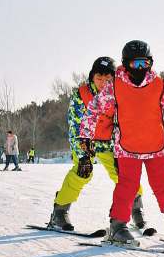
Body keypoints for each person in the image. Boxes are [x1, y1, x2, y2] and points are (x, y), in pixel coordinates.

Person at [79, 40, 164, 245]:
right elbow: (94, 108)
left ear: (150, 63)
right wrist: (86, 135)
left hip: (156, 146)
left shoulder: (159, 84)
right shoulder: (115, 85)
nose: (140, 69)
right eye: (135, 64)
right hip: (127, 148)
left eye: (144, 64)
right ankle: (118, 226)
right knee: (126, 187)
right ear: (125, 64)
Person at [50, 57, 147, 231]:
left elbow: (121, 125)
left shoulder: (120, 93)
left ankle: (136, 208)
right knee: (82, 172)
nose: (103, 83)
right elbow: (75, 127)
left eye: (108, 79)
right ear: (92, 78)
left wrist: (120, 153)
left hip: (109, 142)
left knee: (125, 173)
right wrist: (83, 157)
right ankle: (60, 210)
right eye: (99, 78)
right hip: (86, 141)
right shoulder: (81, 95)